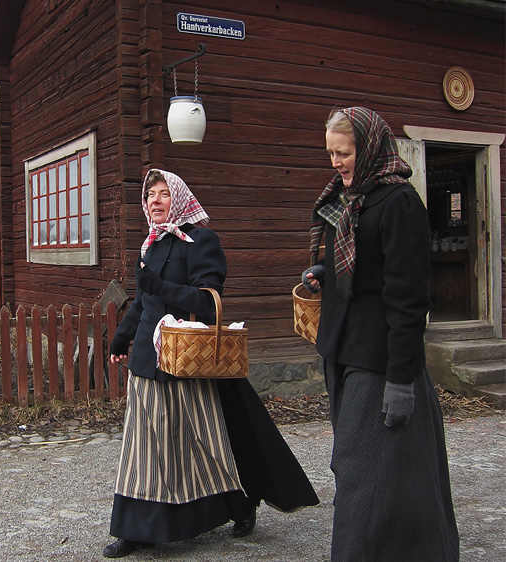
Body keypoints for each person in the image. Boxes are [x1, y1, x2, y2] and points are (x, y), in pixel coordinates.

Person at [104, 168, 319, 558]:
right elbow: (143, 302)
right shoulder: (149, 245)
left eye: (163, 193)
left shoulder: (201, 240)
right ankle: (135, 530)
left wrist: (161, 287)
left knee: (204, 444)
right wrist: (122, 336)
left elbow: (208, 302)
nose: (154, 200)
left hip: (188, 361)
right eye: (150, 194)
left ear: (180, 198)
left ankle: (239, 502)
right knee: (143, 448)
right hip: (148, 362)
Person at [301, 107, 459, 561]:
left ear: (368, 148)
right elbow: (359, 266)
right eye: (331, 153)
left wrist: (401, 378)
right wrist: (325, 271)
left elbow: (408, 301)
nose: (336, 162)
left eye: (344, 152)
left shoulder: (399, 203)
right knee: (376, 471)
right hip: (341, 352)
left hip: (378, 361)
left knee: (360, 473)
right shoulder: (349, 200)